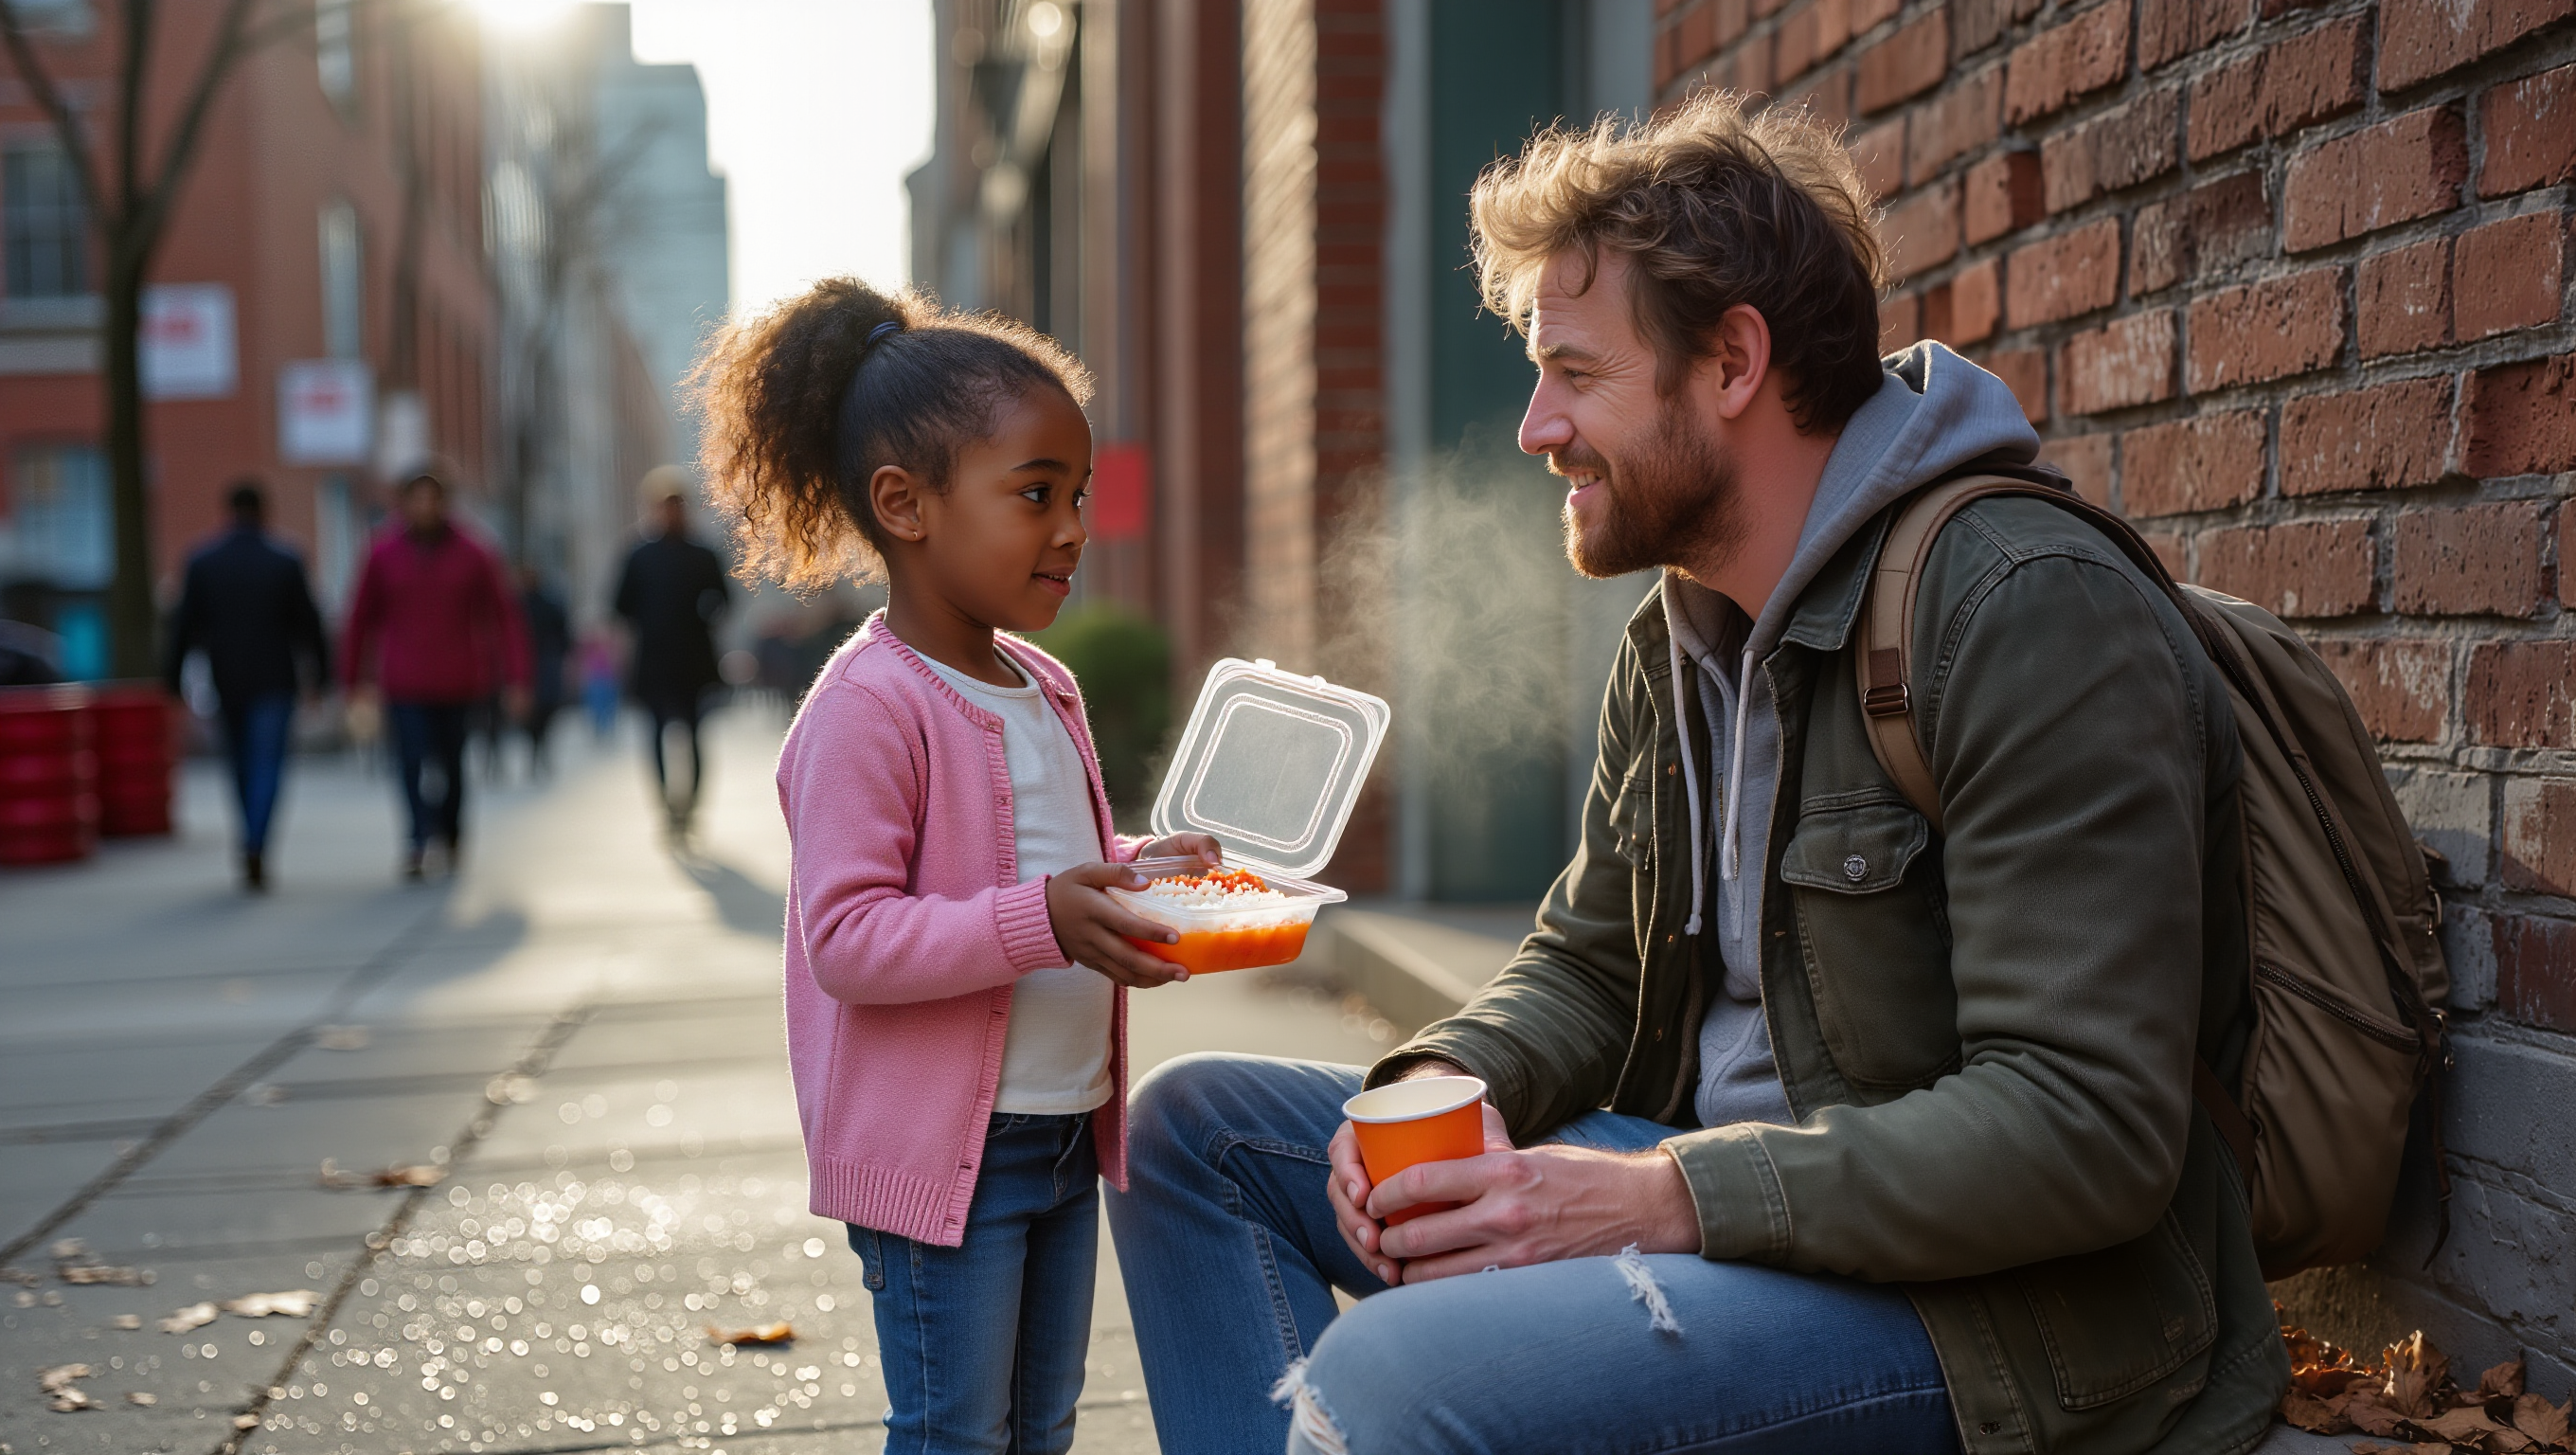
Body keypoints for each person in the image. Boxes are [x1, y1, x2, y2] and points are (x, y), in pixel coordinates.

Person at [1107, 92, 2283, 1455]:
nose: (1535, 427)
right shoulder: (1680, 635)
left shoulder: (2020, 611)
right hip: (1726, 1222)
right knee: (1193, 1136)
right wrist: (1445, 1083)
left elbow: (2085, 1129)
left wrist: (1657, 1197)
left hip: (1994, 1321)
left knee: (1390, 1377)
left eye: (1577, 374)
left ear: (1732, 361)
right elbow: (1595, 963)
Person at [689, 277, 1222, 1455]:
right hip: (947, 1162)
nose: (1073, 527)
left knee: (1042, 1429)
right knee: (953, 1436)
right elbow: (849, 941)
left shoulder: (1045, 687)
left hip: (1063, 1129)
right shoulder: (867, 708)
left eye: (1076, 494)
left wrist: (1139, 869)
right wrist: (1046, 919)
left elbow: (1038, 865)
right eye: (1035, 494)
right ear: (905, 505)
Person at [340, 472, 529, 880]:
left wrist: (517, 678)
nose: (425, 507)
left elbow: (503, 617)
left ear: (445, 503)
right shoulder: (383, 553)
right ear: (404, 504)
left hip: (459, 681)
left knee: (452, 765)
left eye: (433, 499)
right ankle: (417, 839)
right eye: (417, 499)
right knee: (409, 763)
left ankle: (452, 832)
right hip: (404, 682)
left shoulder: (474, 552)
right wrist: (352, 681)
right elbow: (359, 619)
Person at [161, 481, 330, 891]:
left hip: (227, 678)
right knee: (267, 763)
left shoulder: (203, 561)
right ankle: (257, 839)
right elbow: (309, 625)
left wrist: (172, 680)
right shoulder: (285, 560)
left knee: (239, 764)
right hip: (275, 678)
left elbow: (183, 625)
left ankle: (248, 835)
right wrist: (320, 677)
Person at [612, 470, 731, 840]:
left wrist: (703, 615)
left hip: (693, 660)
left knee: (694, 735)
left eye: (677, 505)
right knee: (657, 735)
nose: (671, 513)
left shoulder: (703, 554)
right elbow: (619, 605)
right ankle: (667, 805)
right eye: (665, 506)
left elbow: (724, 601)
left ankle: (690, 807)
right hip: (655, 660)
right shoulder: (638, 556)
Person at [516, 564, 571, 777]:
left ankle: (540, 748)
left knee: (545, 709)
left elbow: (563, 631)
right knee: (533, 712)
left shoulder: (547, 604)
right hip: (530, 664)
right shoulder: (518, 605)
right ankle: (536, 749)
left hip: (545, 662)